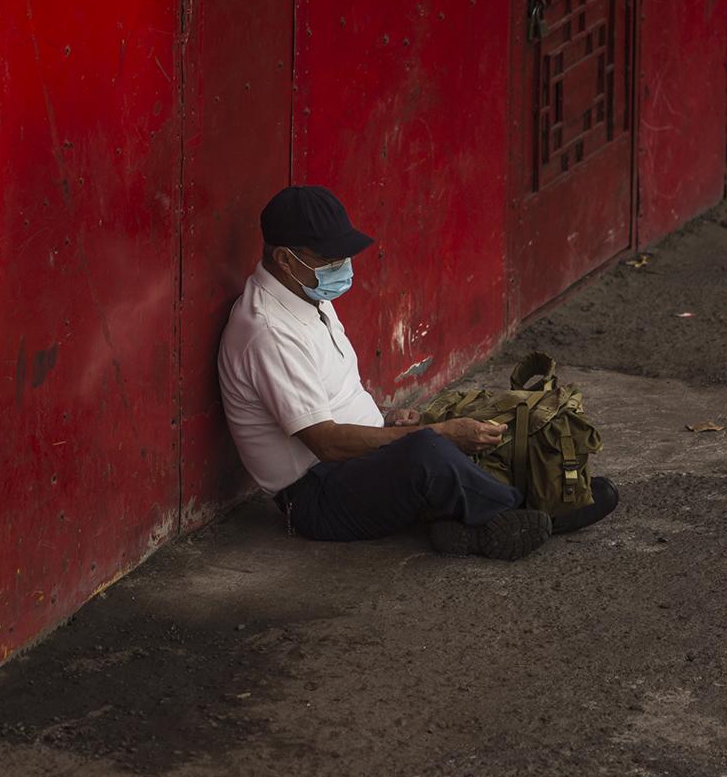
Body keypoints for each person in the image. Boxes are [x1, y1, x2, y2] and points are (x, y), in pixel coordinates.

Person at [217, 185, 619, 560]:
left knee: (463, 424)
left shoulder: (303, 294)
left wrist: (390, 416)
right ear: (286, 259)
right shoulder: (267, 331)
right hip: (318, 497)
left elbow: (331, 395)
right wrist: (437, 434)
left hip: (352, 469)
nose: (342, 268)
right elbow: (327, 444)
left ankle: (465, 523)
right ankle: (530, 512)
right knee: (429, 448)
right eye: (330, 260)